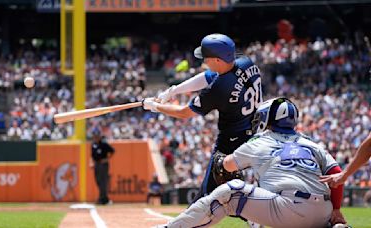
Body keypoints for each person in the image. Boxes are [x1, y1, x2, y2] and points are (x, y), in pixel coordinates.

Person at [160, 97, 347, 228]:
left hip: (287, 209)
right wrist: (336, 209)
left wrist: (221, 160)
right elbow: (336, 172)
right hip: (323, 212)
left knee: (231, 192)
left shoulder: (260, 141)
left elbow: (226, 166)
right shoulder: (311, 143)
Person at [143, 33, 263, 203]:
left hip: (231, 141)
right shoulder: (245, 62)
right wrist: (174, 90)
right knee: (235, 189)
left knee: (208, 193)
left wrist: (156, 107)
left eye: (207, 57)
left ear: (218, 60)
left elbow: (184, 112)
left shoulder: (219, 88)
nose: (204, 61)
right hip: (255, 133)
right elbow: (208, 76)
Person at [90, 129, 115, 205]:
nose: (96, 138)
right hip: (96, 164)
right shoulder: (93, 144)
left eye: (97, 136)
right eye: (94, 136)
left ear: (99, 136)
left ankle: (103, 199)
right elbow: (91, 155)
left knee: (103, 182)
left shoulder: (104, 144)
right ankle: (104, 198)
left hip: (103, 165)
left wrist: (107, 159)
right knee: (98, 181)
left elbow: (112, 151)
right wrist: (91, 162)